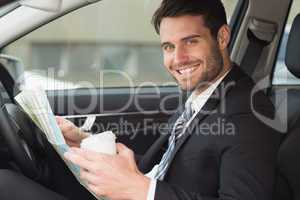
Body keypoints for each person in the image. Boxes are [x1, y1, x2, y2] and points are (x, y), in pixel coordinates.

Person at [0, 0, 281, 199]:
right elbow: (158, 164)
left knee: (6, 186)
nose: (178, 59)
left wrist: (140, 190)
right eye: (169, 47)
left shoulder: (250, 115)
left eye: (191, 41)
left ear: (221, 37)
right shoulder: (203, 92)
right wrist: (83, 139)